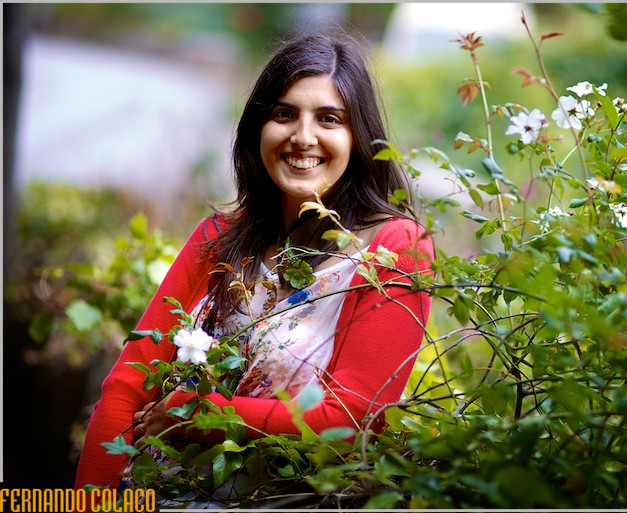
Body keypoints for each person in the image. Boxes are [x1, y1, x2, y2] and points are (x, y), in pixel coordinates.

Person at [74, 31, 434, 503]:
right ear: (257, 127)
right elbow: (128, 383)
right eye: (284, 114)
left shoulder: (395, 250)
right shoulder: (218, 237)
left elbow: (352, 420)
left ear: (358, 137)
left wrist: (199, 414)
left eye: (329, 119)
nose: (302, 137)